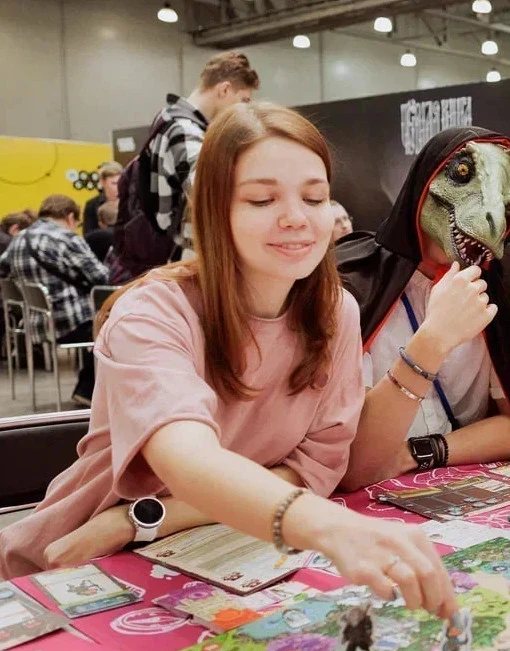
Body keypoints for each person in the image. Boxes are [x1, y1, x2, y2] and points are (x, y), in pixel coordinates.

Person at [0, 103, 457, 621]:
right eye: (263, 199)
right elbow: (186, 458)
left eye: (314, 197)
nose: (296, 217)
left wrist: (146, 518)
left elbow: (316, 469)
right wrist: (328, 526)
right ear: (216, 211)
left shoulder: (336, 312)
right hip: (76, 561)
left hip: (209, 546)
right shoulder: (153, 311)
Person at [337, 127, 510, 491]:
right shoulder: (356, 280)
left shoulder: (502, 279)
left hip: (458, 488)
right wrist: (434, 341)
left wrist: (415, 452)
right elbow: (355, 466)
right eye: (462, 176)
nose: (492, 218)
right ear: (423, 183)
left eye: (505, 203)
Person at [149, 51, 260, 258]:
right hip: (190, 252)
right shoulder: (185, 131)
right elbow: (209, 195)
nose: (244, 110)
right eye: (243, 100)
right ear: (224, 89)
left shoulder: (168, 118)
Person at [0, 195, 108, 404]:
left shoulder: (19, 238)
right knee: (114, 327)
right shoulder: (66, 238)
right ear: (70, 217)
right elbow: (101, 277)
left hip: (35, 323)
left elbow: (3, 272)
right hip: (69, 323)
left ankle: (87, 389)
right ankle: (87, 391)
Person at [83, 162, 122, 234]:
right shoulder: (92, 205)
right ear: (103, 182)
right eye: (114, 183)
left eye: (120, 182)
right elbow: (88, 233)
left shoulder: (130, 201)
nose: (118, 186)